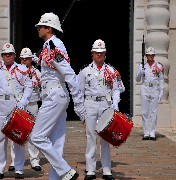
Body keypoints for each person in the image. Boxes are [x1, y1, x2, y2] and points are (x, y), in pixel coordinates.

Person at [29, 12, 87, 180]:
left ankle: (66, 171)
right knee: (56, 143)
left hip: (54, 96)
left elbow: (69, 74)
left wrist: (79, 105)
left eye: (40, 26)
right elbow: (50, 68)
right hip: (55, 95)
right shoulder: (50, 45)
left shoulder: (54, 45)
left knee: (37, 137)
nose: (38, 29)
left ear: (49, 28)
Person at [78, 39, 125, 180]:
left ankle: (106, 170)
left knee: (106, 137)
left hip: (105, 104)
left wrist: (115, 105)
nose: (99, 55)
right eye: (96, 52)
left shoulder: (112, 71)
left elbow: (117, 89)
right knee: (91, 136)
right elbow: (79, 92)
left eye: (101, 52)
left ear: (105, 54)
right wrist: (81, 113)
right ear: (92, 54)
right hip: (90, 103)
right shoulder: (84, 71)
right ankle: (91, 169)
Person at [0, 43, 33, 180]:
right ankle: (0, 169)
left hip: (15, 105)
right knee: (0, 139)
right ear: (2, 56)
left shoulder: (22, 69)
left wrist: (23, 102)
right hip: (0, 105)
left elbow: (29, 86)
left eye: (10, 54)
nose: (8, 56)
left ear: (14, 55)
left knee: (18, 138)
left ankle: (19, 169)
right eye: (5, 54)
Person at [8, 47, 43, 172]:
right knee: (15, 132)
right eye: (22, 59)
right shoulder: (15, 72)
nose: (24, 61)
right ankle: (14, 160)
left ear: (31, 59)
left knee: (33, 133)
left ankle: (34, 160)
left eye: (27, 59)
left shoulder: (37, 73)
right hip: (18, 105)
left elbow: (43, 88)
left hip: (32, 104)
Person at [136, 47, 164, 141]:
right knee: (144, 112)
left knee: (153, 112)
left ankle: (152, 133)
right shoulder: (142, 66)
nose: (150, 56)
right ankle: (146, 133)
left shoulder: (159, 66)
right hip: (145, 88)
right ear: (146, 56)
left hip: (154, 89)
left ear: (154, 55)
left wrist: (161, 93)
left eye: (152, 55)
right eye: (149, 55)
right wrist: (141, 72)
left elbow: (161, 80)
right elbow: (137, 79)